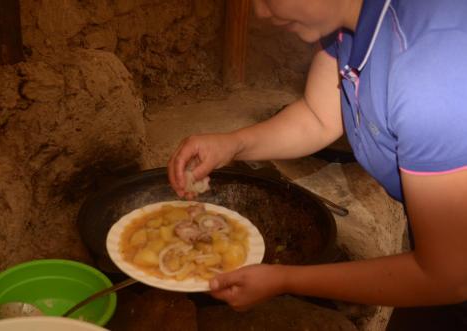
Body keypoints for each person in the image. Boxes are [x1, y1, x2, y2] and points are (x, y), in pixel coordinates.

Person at [167, 0, 467, 321]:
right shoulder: (347, 19)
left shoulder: (431, 72)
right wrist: (232, 144)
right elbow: (318, 117)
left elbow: (448, 277)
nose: (260, 13)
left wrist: (285, 279)